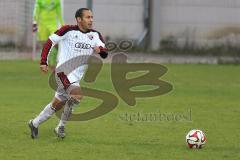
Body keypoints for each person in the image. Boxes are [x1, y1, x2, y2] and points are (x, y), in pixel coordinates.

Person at [28, 8, 108, 139]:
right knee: (77, 95)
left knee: (58, 103)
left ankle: (34, 123)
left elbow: (104, 53)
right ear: (79, 19)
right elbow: (50, 42)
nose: (91, 20)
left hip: (76, 77)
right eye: (88, 17)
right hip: (62, 72)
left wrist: (100, 50)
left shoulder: (95, 35)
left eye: (92, 17)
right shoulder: (67, 30)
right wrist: (44, 61)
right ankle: (60, 127)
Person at [33, 0, 64, 69]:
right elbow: (37, 10)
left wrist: (62, 24)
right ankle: (46, 60)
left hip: (53, 24)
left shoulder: (57, 1)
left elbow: (59, 12)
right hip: (42, 24)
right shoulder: (40, 1)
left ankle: (53, 63)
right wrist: (35, 22)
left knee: (56, 43)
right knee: (44, 44)